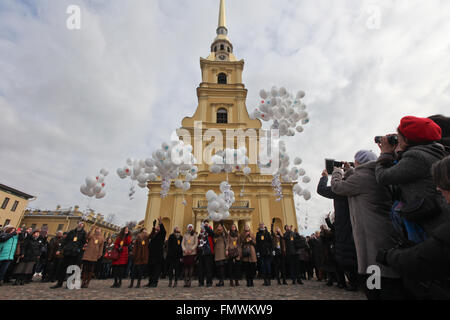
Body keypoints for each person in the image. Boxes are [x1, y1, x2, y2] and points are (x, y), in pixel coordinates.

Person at [331, 149, 406, 299]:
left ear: (358, 162)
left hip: (373, 242)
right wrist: (351, 170)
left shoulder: (362, 177)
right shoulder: (376, 174)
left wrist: (337, 172)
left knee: (375, 287)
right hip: (384, 235)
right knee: (387, 280)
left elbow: (337, 187)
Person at [377, 155, 450, 299]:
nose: (437, 188)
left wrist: (388, 256)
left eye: (442, 183)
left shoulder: (415, 158)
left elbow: (419, 259)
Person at [376, 116, 447, 241]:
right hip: (435, 214)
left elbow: (383, 177)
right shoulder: (433, 150)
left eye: (399, 135)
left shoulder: (416, 157)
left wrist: (385, 154)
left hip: (427, 220)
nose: (397, 139)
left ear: (408, 139)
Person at [317, 168, 359, 290]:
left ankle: (354, 282)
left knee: (348, 258)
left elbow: (321, 189)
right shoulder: (359, 184)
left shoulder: (342, 189)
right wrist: (350, 170)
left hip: (345, 229)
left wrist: (325, 176)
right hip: (358, 225)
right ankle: (367, 284)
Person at [51, 222, 87, 289]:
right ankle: (59, 283)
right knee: (62, 269)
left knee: (71, 269)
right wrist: (59, 249)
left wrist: (80, 250)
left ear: (83, 225)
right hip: (67, 252)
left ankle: (69, 283)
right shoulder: (72, 232)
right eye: (79, 223)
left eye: (82, 224)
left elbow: (84, 243)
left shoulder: (84, 233)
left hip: (75, 254)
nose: (80, 224)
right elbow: (65, 241)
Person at [147, 217, 166, 287]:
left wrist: (160, 222)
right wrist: (153, 226)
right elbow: (150, 236)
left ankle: (155, 282)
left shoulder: (162, 234)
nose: (157, 227)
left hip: (158, 255)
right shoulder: (154, 234)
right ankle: (150, 281)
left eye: (158, 226)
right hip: (152, 254)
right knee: (151, 269)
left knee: (156, 270)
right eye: (157, 226)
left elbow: (164, 230)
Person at [197, 219, 215, 287]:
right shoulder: (201, 232)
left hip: (208, 251)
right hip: (201, 252)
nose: (206, 224)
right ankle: (201, 282)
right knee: (201, 268)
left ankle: (209, 282)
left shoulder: (210, 230)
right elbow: (199, 240)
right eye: (205, 223)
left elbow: (212, 233)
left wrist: (206, 227)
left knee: (208, 268)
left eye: (207, 223)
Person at [270, 220, 287, 285]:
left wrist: (284, 251)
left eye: (278, 229)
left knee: (283, 267)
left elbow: (284, 243)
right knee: (277, 267)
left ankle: (284, 280)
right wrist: (272, 224)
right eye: (276, 229)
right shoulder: (274, 236)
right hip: (276, 252)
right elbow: (271, 231)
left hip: (281, 252)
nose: (277, 230)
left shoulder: (282, 236)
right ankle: (278, 280)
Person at [213, 222, 228, 287]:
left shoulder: (223, 233)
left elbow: (226, 240)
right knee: (218, 266)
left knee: (221, 266)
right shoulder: (215, 233)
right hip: (216, 250)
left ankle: (222, 281)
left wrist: (226, 250)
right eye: (218, 226)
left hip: (222, 250)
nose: (219, 227)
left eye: (220, 226)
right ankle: (220, 280)